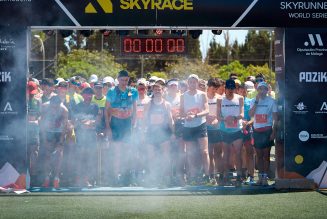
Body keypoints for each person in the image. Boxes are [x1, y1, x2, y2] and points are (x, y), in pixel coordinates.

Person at [105, 70, 138, 186]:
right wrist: (108, 127)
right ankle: (115, 177)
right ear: (118, 79)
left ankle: (127, 177)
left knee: (128, 151)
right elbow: (107, 110)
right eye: (122, 80)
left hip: (127, 124)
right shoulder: (112, 91)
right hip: (115, 123)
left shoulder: (132, 91)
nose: (124, 82)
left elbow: (135, 108)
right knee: (117, 152)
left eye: (126, 80)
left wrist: (134, 123)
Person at [180, 74, 210, 184]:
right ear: (188, 83)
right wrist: (186, 115)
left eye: (194, 82)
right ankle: (192, 176)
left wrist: (196, 115)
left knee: (204, 152)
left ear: (197, 83)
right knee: (190, 153)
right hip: (188, 127)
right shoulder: (183, 96)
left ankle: (207, 176)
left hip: (200, 125)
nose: (192, 84)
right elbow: (181, 112)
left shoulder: (202, 94)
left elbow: (207, 111)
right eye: (190, 82)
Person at [144, 82, 174, 186]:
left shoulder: (167, 104)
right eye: (155, 89)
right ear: (152, 91)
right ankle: (152, 178)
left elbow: (170, 120)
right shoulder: (148, 104)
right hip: (151, 133)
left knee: (165, 156)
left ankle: (166, 177)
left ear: (162, 91)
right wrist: (143, 131)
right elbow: (144, 119)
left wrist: (173, 133)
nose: (157, 91)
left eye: (159, 89)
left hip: (164, 133)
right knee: (151, 156)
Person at [249, 82, 277, 186]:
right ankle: (260, 177)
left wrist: (273, 132)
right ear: (257, 90)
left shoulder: (272, 101)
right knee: (259, 156)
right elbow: (251, 114)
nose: (262, 91)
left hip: (267, 130)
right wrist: (256, 101)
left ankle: (265, 178)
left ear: (267, 90)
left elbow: (276, 118)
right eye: (260, 89)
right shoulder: (253, 101)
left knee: (266, 156)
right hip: (257, 131)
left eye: (264, 89)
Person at [217, 79, 244, 186]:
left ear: (235, 89)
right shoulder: (220, 99)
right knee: (226, 154)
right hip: (224, 130)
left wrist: (234, 118)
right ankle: (225, 176)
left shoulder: (240, 98)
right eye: (228, 88)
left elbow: (242, 114)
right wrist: (225, 120)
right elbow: (218, 116)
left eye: (232, 88)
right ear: (225, 89)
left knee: (238, 153)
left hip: (237, 129)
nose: (230, 91)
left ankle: (239, 176)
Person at [39, 95, 68, 188]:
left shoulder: (64, 110)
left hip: (59, 132)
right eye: (53, 106)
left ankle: (56, 178)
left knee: (59, 155)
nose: (54, 108)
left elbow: (64, 127)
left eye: (56, 107)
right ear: (50, 103)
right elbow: (42, 124)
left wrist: (61, 142)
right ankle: (47, 178)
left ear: (60, 104)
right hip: (48, 132)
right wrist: (44, 139)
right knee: (47, 155)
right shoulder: (44, 107)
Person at [74, 87, 99, 187]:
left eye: (90, 94)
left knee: (89, 158)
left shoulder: (95, 106)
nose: (88, 96)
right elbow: (74, 120)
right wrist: (82, 123)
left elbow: (98, 119)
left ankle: (87, 179)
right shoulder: (77, 106)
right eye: (87, 94)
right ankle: (78, 179)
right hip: (80, 134)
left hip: (91, 134)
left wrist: (91, 122)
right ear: (83, 95)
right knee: (80, 157)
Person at [165, 78, 186, 186]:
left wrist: (180, 115)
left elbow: (185, 111)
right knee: (169, 153)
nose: (173, 87)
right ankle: (169, 176)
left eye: (175, 86)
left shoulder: (182, 97)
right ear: (168, 87)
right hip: (167, 127)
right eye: (171, 86)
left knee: (181, 153)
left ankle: (180, 175)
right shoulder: (165, 98)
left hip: (180, 126)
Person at [206, 78, 223, 185]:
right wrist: (207, 118)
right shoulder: (203, 97)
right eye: (213, 87)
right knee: (209, 153)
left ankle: (219, 174)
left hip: (217, 128)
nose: (214, 90)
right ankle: (211, 175)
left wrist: (217, 119)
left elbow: (221, 114)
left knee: (218, 153)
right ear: (208, 86)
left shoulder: (220, 98)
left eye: (216, 88)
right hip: (206, 128)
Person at [27, 80, 42, 185]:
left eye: (33, 92)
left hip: (35, 130)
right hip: (24, 129)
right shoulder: (21, 100)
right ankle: (25, 175)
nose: (32, 95)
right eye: (30, 92)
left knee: (35, 152)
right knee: (25, 152)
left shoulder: (38, 100)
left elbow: (41, 114)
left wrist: (37, 121)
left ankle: (34, 177)